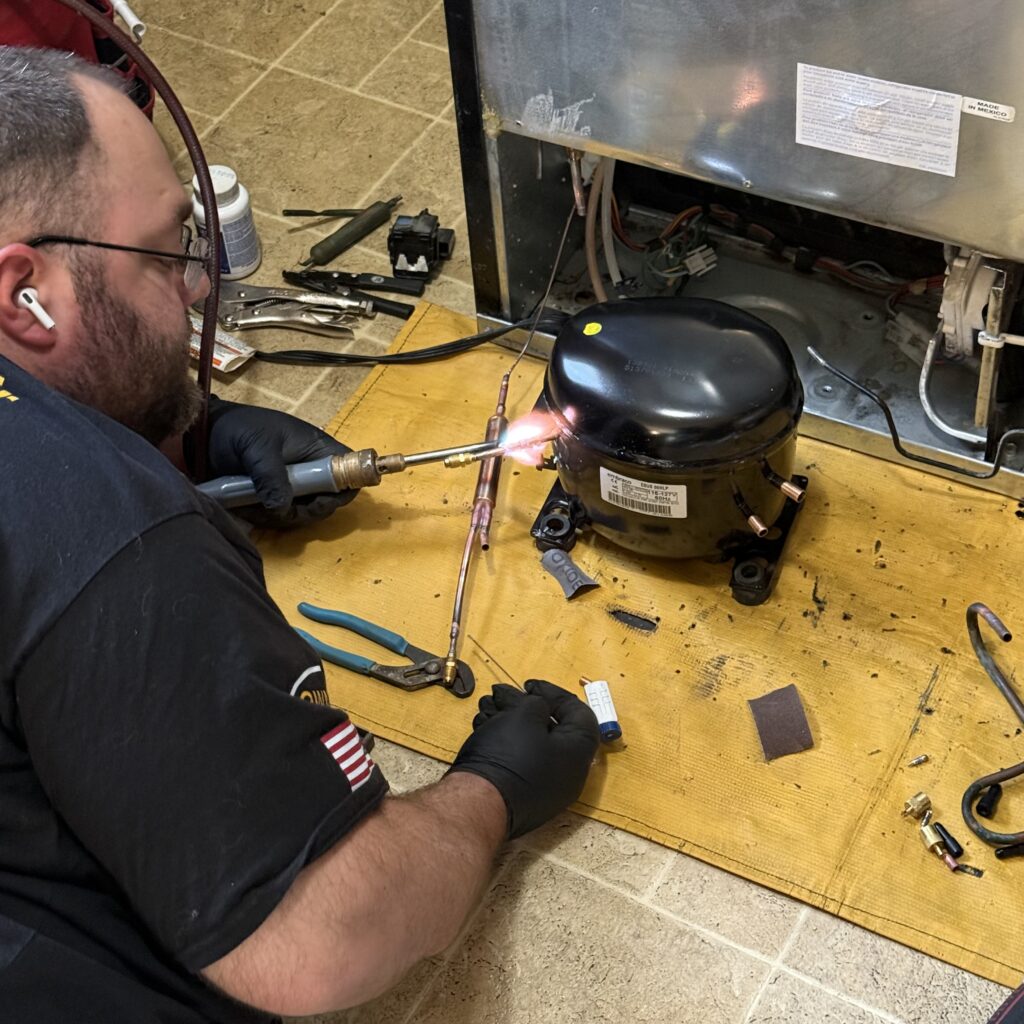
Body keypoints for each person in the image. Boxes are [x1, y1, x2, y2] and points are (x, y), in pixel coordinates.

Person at [0, 46, 599, 1023]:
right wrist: (492, 793)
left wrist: (195, 437)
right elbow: (322, 944)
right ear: (25, 292)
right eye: (164, 252)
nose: (199, 289)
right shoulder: (119, 548)